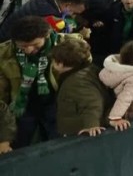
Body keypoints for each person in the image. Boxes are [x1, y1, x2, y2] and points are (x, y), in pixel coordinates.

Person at [0, 16, 82, 148]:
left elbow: (85, 71)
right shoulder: (4, 54)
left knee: (60, 141)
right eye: (23, 46)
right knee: (20, 143)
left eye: (35, 45)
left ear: (47, 35)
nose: (29, 50)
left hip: (56, 102)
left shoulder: (68, 45)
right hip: (22, 105)